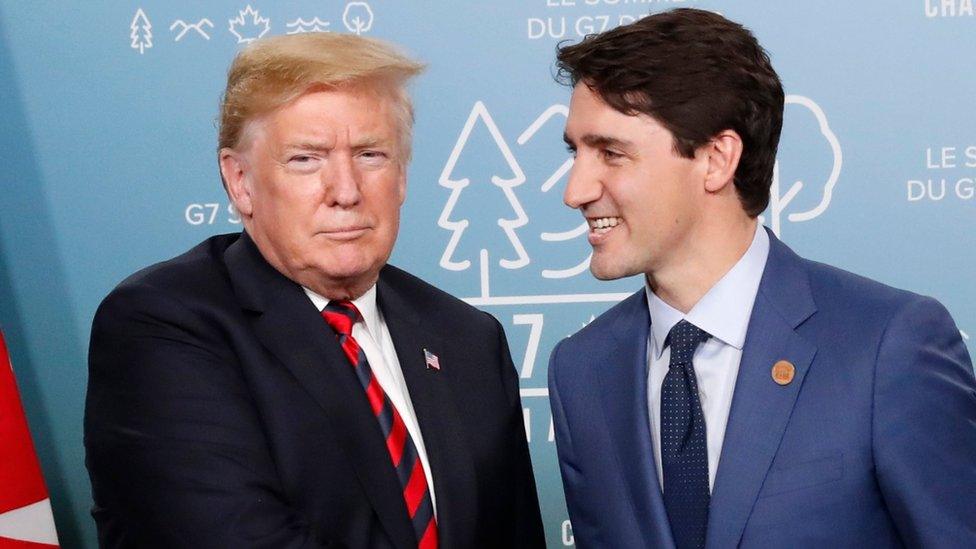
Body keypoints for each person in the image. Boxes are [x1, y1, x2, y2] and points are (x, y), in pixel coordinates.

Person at [85, 32, 545, 548]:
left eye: (371, 155)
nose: (345, 191)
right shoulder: (163, 324)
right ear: (240, 182)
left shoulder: (467, 338)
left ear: (402, 177)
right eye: (307, 159)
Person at [548, 8, 976, 548]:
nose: (575, 189)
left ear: (716, 159)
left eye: (611, 152)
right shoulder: (581, 370)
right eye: (575, 151)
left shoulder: (886, 345)